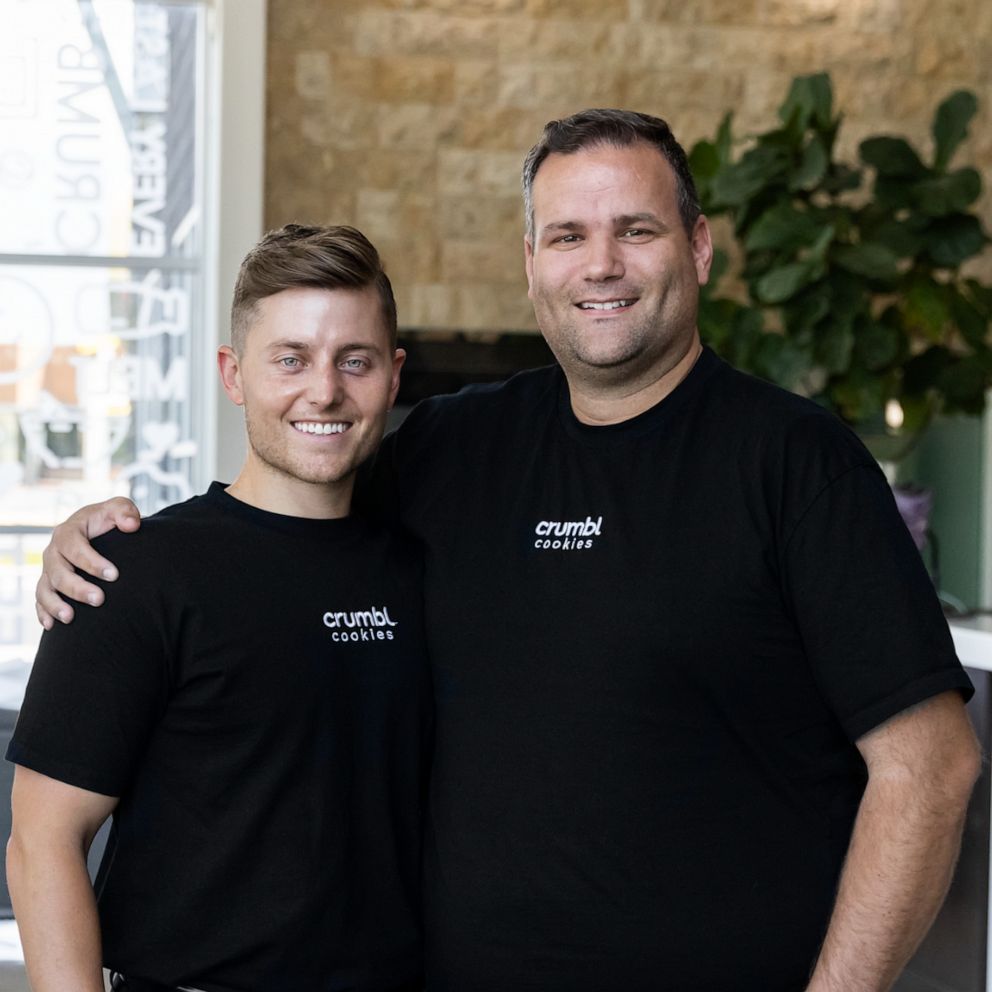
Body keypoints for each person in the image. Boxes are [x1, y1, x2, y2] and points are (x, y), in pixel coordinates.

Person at [35, 110, 980, 992]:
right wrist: (107, 543)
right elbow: (285, 505)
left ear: (697, 247)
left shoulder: (796, 463)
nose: (600, 264)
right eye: (568, 236)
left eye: (636, 230)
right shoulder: (455, 447)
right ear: (531, 264)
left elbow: (932, 766)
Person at [9, 224, 430, 992]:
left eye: (355, 361)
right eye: (290, 359)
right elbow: (42, 839)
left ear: (394, 377)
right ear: (233, 374)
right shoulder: (135, 571)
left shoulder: (426, 567)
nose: (325, 390)